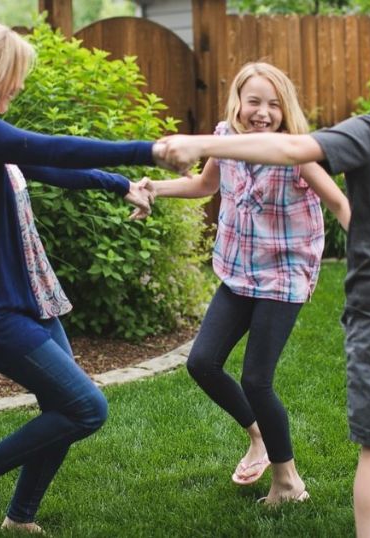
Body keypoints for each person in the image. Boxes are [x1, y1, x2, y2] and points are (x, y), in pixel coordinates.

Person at [154, 57, 370, 537]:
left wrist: (199, 142)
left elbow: (302, 155)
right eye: (253, 100)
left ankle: (303, 489)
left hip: (365, 297)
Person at [0, 22, 159, 537]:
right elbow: (53, 148)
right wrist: (149, 150)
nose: (20, 87)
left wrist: (120, 183)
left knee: (63, 405)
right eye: (16, 77)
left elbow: (47, 166)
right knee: (86, 408)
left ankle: (20, 518)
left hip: (22, 298)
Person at [145, 62, 350, 506]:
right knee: (201, 363)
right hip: (239, 269)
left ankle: (288, 481)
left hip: (284, 272)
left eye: (274, 104)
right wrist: (154, 188)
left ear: (286, 109)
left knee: (257, 380)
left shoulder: (296, 151)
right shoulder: (224, 139)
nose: (263, 112)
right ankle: (258, 436)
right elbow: (204, 185)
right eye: (254, 101)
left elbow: (337, 200)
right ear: (237, 101)